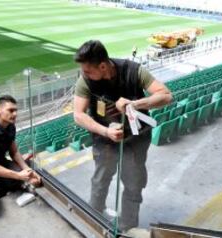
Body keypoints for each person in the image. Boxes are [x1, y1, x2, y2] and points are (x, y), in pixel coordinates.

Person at [73, 40, 172, 231]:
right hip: (105, 140)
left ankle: (127, 227)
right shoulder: (85, 80)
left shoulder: (133, 71)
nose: (84, 74)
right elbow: (78, 114)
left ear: (102, 66)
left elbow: (166, 95)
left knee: (133, 184)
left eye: (87, 71)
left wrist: (135, 104)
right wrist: (106, 131)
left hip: (135, 141)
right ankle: (94, 219)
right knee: (100, 180)